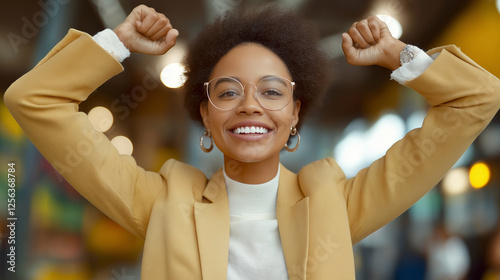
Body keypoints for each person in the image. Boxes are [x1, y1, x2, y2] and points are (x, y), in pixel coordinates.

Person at [4, 4, 500, 279]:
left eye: (271, 92)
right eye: (227, 92)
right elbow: (34, 100)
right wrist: (117, 42)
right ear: (204, 114)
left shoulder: (337, 204)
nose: (250, 106)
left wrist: (399, 55)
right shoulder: (161, 202)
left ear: (294, 113)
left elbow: (476, 100)